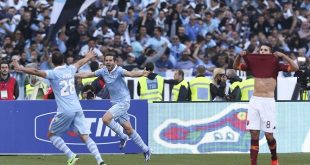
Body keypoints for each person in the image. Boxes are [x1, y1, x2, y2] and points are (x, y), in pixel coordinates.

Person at [13, 50, 106, 165]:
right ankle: (100, 161)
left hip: (65, 110)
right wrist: (88, 56)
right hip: (77, 107)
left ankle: (71, 155)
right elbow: (80, 63)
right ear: (63, 60)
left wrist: (20, 68)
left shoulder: (53, 73)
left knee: (51, 135)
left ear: (52, 62)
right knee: (85, 136)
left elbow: (35, 71)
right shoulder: (70, 69)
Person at [76, 53, 152, 161]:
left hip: (124, 102)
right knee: (129, 129)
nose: (108, 62)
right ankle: (146, 149)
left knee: (105, 119)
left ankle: (122, 136)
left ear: (115, 62)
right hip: (115, 103)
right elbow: (88, 74)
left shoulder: (119, 70)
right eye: (106, 60)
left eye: (110, 60)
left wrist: (141, 73)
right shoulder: (103, 71)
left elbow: (130, 73)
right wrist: (73, 74)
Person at [233, 43, 299, 165]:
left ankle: (274, 157)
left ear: (271, 52)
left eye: (265, 50)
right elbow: (235, 66)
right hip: (255, 101)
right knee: (254, 133)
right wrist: (239, 55)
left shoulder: (276, 64)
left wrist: (283, 55)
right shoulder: (253, 64)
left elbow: (295, 68)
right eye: (261, 50)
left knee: (269, 135)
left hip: (268, 102)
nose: (262, 51)